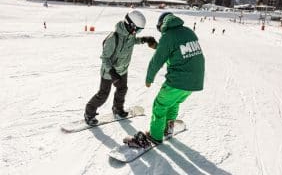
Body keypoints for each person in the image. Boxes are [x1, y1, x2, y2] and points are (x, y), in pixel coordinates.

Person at [124, 12, 205, 147]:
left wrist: (149, 78)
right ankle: (168, 128)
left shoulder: (168, 36)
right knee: (173, 103)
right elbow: (178, 51)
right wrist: (158, 46)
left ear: (162, 24)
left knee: (160, 105)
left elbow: (157, 61)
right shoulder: (188, 31)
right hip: (195, 81)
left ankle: (155, 136)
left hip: (179, 80)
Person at [84, 10, 157, 126]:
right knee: (103, 94)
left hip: (122, 70)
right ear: (130, 25)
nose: (137, 32)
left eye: (140, 30)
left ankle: (117, 108)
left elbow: (132, 41)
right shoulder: (113, 38)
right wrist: (112, 73)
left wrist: (145, 39)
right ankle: (89, 112)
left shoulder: (130, 35)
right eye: (137, 29)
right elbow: (105, 58)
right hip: (109, 72)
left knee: (122, 90)